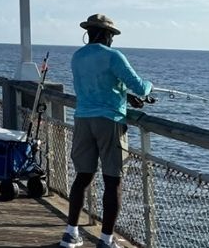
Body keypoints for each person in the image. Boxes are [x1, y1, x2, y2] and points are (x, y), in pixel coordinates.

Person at [60, 14, 152, 248]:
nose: (112, 40)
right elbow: (140, 86)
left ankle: (70, 233)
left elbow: (96, 85)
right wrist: (147, 88)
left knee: (82, 176)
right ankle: (106, 240)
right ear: (104, 34)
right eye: (111, 35)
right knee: (113, 181)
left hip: (83, 119)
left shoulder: (77, 56)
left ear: (88, 33)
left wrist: (123, 94)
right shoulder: (113, 56)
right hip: (109, 121)